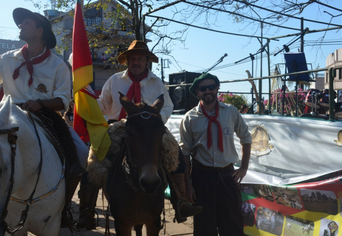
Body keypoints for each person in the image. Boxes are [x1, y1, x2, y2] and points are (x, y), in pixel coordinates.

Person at [76, 40, 202, 229]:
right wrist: (88, 105)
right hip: (119, 127)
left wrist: (156, 122)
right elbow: (104, 103)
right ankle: (87, 210)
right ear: (127, 61)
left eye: (140, 58)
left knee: (174, 155)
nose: (136, 62)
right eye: (132, 58)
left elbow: (167, 107)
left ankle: (180, 202)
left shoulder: (156, 82)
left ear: (146, 61)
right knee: (94, 159)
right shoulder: (115, 80)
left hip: (150, 128)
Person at [0, 7, 88, 227]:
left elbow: (62, 100)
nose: (20, 26)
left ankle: (64, 205)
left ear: (40, 31)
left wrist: (40, 104)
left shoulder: (58, 65)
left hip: (45, 117)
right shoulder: (5, 60)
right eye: (21, 23)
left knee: (82, 152)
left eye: (26, 23)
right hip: (9, 116)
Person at [179, 73, 252, 236]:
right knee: (204, 226)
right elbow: (185, 154)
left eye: (211, 87)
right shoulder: (189, 118)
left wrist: (244, 168)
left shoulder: (230, 112)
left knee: (232, 224)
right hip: (202, 177)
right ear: (197, 92)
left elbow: (246, 138)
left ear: (217, 89)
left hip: (227, 176)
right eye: (203, 88)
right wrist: (188, 185)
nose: (208, 91)